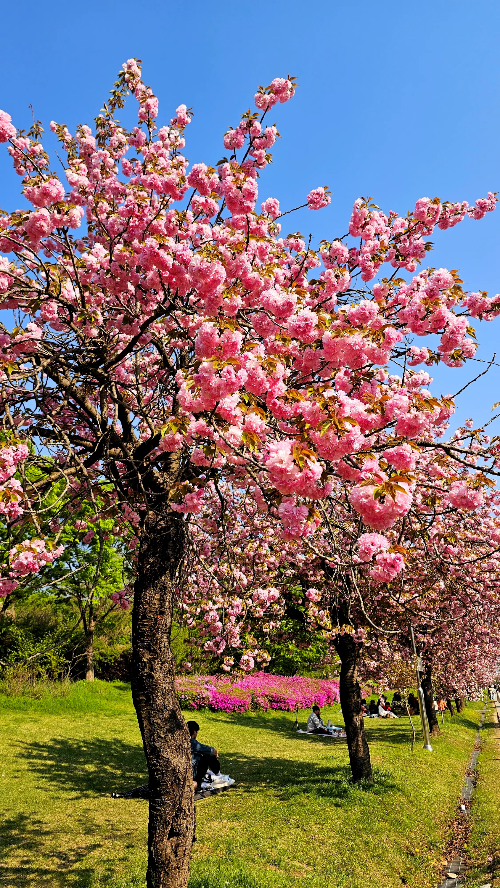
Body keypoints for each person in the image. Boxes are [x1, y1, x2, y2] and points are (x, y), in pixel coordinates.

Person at [187, 720, 221, 789]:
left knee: (201, 756)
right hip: (193, 773)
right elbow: (210, 750)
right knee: (209, 756)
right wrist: (215, 753)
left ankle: (208, 774)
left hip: (189, 771)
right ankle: (218, 775)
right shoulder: (191, 742)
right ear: (194, 732)